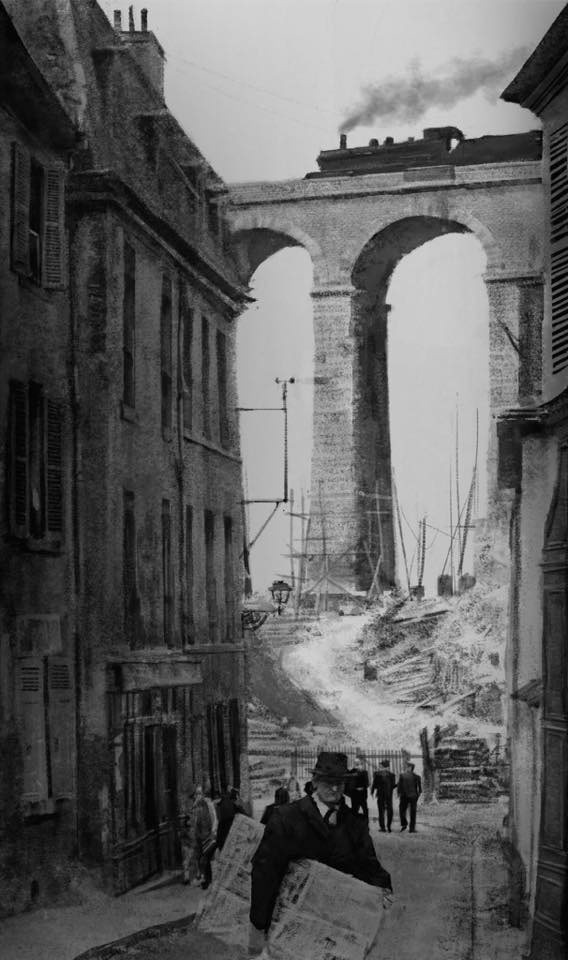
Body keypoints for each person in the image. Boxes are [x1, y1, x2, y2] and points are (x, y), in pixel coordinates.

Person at [249, 751, 392, 956]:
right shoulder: (286, 818)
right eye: (328, 782)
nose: (334, 789)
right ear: (315, 782)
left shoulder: (355, 823)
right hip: (292, 929)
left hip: (338, 930)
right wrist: (260, 924)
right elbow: (265, 872)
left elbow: (369, 865)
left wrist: (383, 887)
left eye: (340, 783)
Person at [193, 785, 218, 889]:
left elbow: (214, 818)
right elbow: (195, 821)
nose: (198, 795)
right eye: (197, 793)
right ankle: (206, 878)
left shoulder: (208, 804)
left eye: (200, 793)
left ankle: (207, 879)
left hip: (208, 834)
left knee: (206, 857)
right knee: (202, 857)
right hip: (200, 835)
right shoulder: (196, 806)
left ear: (203, 794)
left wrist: (213, 831)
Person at [216, 786, 247, 851]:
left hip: (225, 843)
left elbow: (219, 840)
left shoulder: (223, 806)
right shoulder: (237, 809)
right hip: (235, 842)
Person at [371, 760, 396, 833]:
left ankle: (387, 827)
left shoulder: (391, 775)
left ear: (386, 767)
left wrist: (373, 791)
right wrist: (372, 791)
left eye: (381, 766)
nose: (380, 768)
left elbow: (392, 786)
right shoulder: (378, 775)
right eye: (381, 767)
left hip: (386, 795)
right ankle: (384, 827)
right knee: (383, 811)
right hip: (383, 795)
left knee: (387, 811)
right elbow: (374, 784)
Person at [397, 762, 422, 833]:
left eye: (407, 767)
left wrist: (399, 793)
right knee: (411, 812)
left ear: (410, 768)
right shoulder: (416, 776)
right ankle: (411, 828)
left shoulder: (403, 775)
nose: (406, 768)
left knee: (403, 811)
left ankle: (406, 825)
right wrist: (417, 796)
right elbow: (420, 790)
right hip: (411, 796)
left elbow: (399, 786)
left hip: (405, 796)